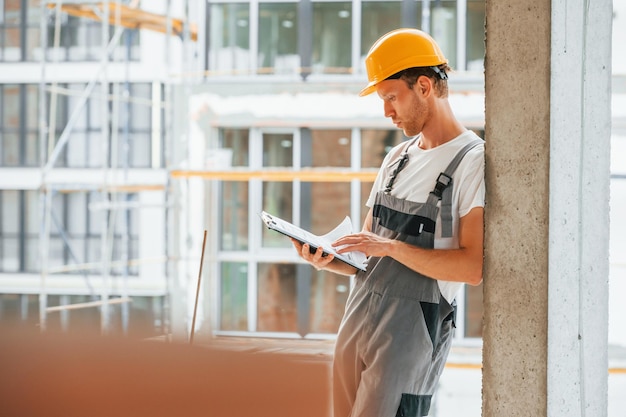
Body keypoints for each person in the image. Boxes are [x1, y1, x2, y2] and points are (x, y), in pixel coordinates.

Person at [291, 28, 485, 417]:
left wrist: (391, 247)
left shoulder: (471, 160)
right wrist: (329, 257)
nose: (387, 111)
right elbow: (367, 254)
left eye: (391, 97)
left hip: (408, 335)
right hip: (357, 321)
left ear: (425, 86)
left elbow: (472, 267)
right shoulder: (396, 158)